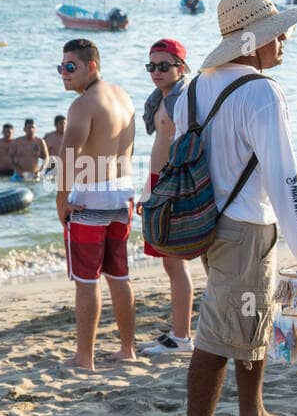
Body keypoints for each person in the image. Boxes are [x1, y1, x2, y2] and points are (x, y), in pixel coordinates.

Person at [175, 0, 297, 416]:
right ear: (252, 41)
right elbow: (284, 175)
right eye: (276, 33)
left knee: (250, 318)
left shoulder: (195, 88)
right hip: (247, 227)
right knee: (216, 335)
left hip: (208, 223)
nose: (285, 38)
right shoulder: (262, 92)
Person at [56, 39, 138, 370]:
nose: (64, 73)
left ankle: (85, 358)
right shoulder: (123, 96)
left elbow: (67, 157)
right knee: (119, 276)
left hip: (91, 198)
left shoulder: (84, 104)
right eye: (60, 67)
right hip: (123, 194)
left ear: (91, 66)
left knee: (87, 281)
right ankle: (127, 349)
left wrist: (61, 200)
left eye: (70, 66)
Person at [135, 39, 194, 356]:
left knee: (176, 263)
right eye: (151, 66)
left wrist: (171, 189)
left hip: (174, 185)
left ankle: (182, 337)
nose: (156, 72)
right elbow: (158, 147)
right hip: (157, 182)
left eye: (163, 66)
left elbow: (188, 149)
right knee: (168, 264)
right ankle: (177, 332)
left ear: (180, 67)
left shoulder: (184, 100)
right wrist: (148, 188)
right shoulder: (160, 98)